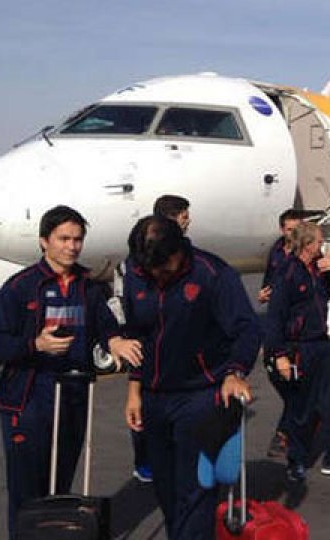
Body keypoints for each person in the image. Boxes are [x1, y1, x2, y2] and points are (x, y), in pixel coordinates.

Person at [0, 205, 141, 539]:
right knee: (27, 490)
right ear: (44, 241)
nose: (72, 246)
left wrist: (115, 341)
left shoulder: (88, 286)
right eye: (64, 239)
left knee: (61, 484)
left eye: (78, 239)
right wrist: (35, 345)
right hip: (28, 400)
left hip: (73, 395)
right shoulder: (20, 287)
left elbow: (105, 323)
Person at [122, 215, 260, 540]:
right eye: (149, 270)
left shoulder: (213, 274)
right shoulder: (137, 273)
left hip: (200, 396)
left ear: (179, 252)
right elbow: (137, 334)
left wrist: (235, 372)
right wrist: (134, 390)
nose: (156, 276)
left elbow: (247, 329)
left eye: (163, 268)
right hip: (155, 398)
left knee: (195, 492)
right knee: (166, 490)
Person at [264, 221, 330, 481]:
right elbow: (274, 318)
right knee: (301, 408)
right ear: (307, 245)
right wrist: (279, 354)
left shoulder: (320, 270)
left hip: (322, 344)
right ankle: (296, 461)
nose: (322, 246)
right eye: (318, 241)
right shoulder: (287, 273)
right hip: (298, 348)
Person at [127, 194, 196, 483]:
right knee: (146, 407)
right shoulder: (139, 260)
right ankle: (148, 460)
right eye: (184, 216)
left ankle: (156, 461)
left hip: (171, 346)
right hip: (155, 345)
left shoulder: (192, 256)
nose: (188, 220)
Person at [259, 208, 304, 459]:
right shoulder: (276, 252)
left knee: (298, 389)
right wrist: (264, 294)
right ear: (281, 230)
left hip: (297, 331)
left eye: (297, 229)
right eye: (289, 229)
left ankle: (284, 435)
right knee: (290, 388)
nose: (293, 234)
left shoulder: (307, 255)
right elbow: (268, 282)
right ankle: (296, 426)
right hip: (277, 327)